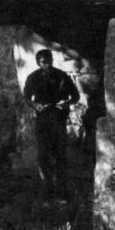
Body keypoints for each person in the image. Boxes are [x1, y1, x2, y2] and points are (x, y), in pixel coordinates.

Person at [23, 49, 80, 199]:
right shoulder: (33, 78)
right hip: (42, 119)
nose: (47, 64)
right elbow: (27, 98)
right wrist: (36, 106)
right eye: (43, 62)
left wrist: (65, 103)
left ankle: (63, 190)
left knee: (60, 153)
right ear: (38, 63)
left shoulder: (62, 76)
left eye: (49, 61)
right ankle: (48, 188)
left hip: (58, 118)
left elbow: (76, 96)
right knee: (43, 154)